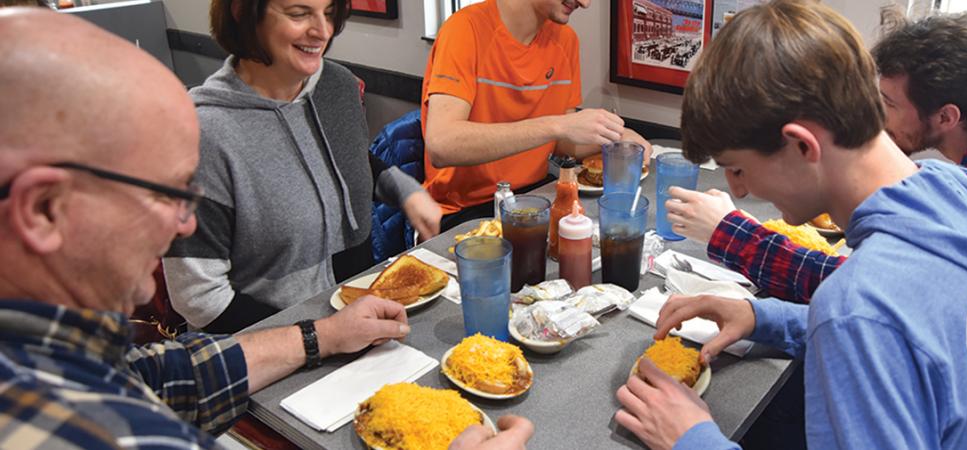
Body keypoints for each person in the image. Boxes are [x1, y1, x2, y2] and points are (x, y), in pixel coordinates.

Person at [0, 8, 531, 450]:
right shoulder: (72, 426)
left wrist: (324, 333)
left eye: (327, 11)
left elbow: (166, 375)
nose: (184, 222)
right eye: (162, 194)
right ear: (42, 210)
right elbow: (200, 304)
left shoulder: (77, 352)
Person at [617, 1, 967, 449]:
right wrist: (763, 316)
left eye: (737, 168)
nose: (737, 191)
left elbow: (876, 321)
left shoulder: (861, 310)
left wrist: (692, 440)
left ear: (800, 146)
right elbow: (921, 339)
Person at [162, 0, 443, 333]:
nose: (322, 31)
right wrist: (322, 337)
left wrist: (405, 191)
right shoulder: (202, 133)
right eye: (299, 13)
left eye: (328, 13)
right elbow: (200, 299)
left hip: (362, 323)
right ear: (243, 12)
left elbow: (344, 161)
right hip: (270, 348)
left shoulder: (337, 86)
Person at [421, 0, 652, 230]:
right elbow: (442, 145)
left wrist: (616, 138)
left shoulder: (565, 39)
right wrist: (556, 125)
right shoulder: (465, 29)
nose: (585, 3)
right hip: (466, 212)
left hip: (537, 197)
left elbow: (562, 143)